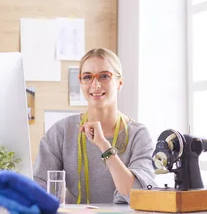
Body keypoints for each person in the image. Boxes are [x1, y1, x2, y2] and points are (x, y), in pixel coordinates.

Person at [33, 47, 157, 204]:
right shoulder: (62, 131)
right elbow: (39, 186)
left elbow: (138, 194)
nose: (96, 84)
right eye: (87, 77)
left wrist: (104, 146)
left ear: (119, 82)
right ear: (81, 82)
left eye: (105, 76)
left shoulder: (138, 135)